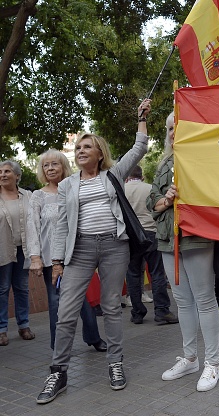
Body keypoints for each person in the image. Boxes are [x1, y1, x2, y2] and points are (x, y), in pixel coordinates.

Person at [36, 99, 152, 404]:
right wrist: (57, 262)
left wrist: (141, 116)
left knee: (112, 307)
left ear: (100, 153)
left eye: (87, 147)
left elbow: (139, 147)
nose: (81, 151)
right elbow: (62, 225)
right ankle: (58, 371)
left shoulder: (113, 175)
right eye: (78, 149)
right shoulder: (67, 185)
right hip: (81, 248)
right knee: (66, 312)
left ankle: (115, 364)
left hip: (115, 246)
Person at [148, 111, 219, 392]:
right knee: (182, 300)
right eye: (168, 129)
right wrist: (166, 200)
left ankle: (212, 363)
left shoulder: (204, 159)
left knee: (204, 299)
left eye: (178, 126)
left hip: (196, 237)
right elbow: (151, 201)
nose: (172, 133)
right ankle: (190, 358)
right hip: (168, 239)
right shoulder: (164, 161)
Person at [27, 150, 106, 352]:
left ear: (64, 166)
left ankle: (94, 338)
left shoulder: (73, 188)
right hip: (50, 259)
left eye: (55, 164)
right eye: (46, 165)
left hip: (76, 254)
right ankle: (58, 346)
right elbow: (32, 228)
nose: (51, 168)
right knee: (56, 302)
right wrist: (35, 257)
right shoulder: (38, 196)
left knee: (83, 299)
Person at [124, 165, 178, 325]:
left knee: (133, 274)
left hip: (131, 235)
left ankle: (137, 312)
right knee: (157, 273)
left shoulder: (121, 189)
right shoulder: (149, 189)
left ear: (127, 176)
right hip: (151, 232)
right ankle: (162, 310)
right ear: (142, 176)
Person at [0, 160, 34, 346]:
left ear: (17, 176)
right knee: (2, 289)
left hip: (24, 249)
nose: (3, 174)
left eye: (7, 171)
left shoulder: (27, 196)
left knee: (22, 288)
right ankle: (1, 330)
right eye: (0, 172)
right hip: (2, 249)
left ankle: (24, 325)